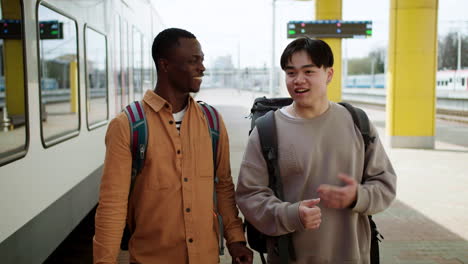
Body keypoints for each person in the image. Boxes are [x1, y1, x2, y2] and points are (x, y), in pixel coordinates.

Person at [93, 28, 253, 264]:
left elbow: (223, 187)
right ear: (165, 65)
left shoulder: (212, 122)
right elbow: (112, 205)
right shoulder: (128, 125)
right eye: (193, 61)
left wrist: (236, 240)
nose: (202, 68)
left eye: (202, 60)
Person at [235, 37, 397, 263]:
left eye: (308, 72)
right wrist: (291, 215)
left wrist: (358, 196)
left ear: (329, 74)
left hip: (353, 255)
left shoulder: (357, 122)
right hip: (289, 257)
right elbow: (249, 194)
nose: (298, 80)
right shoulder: (267, 130)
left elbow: (385, 183)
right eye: (291, 73)